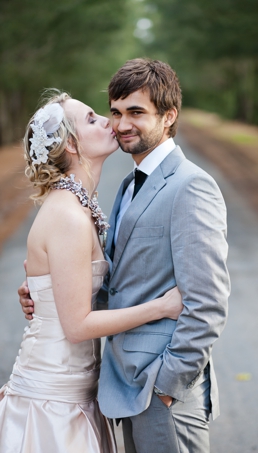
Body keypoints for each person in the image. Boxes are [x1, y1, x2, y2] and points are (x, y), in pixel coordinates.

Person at [19, 59, 229, 453]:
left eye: (136, 112)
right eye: (114, 112)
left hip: (161, 392)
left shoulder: (191, 186)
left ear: (169, 116)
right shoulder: (126, 187)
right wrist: (48, 292)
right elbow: (117, 286)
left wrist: (167, 388)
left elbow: (208, 303)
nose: (120, 124)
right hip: (122, 387)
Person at [0, 90, 184, 452]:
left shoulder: (80, 207)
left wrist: (40, 289)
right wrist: (162, 307)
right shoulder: (68, 215)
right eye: (92, 119)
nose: (108, 121)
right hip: (53, 399)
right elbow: (78, 326)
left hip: (77, 387)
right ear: (71, 143)